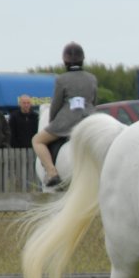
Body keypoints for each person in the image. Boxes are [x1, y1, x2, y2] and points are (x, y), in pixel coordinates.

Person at [32, 42, 97, 186]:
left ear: (65, 61)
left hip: (66, 123)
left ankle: (51, 172)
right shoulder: (92, 78)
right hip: (89, 121)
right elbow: (93, 102)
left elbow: (55, 105)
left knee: (37, 141)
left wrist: (52, 121)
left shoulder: (61, 80)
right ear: (82, 59)